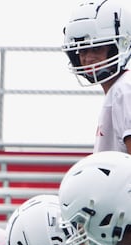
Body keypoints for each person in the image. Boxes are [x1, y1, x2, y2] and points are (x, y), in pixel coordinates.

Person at [62, 0, 131, 154]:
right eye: (84, 51)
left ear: (118, 46)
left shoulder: (124, 91)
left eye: (97, 48)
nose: (88, 58)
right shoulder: (118, 90)